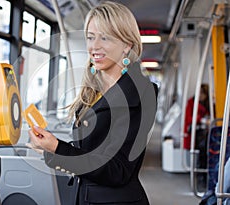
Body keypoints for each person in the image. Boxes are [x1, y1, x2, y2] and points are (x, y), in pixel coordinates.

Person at [27, 2, 157, 205]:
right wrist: (50, 149)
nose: (94, 46)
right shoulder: (92, 90)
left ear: (127, 45)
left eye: (105, 37)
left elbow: (118, 170)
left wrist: (57, 148)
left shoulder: (139, 93)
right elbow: (90, 150)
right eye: (90, 37)